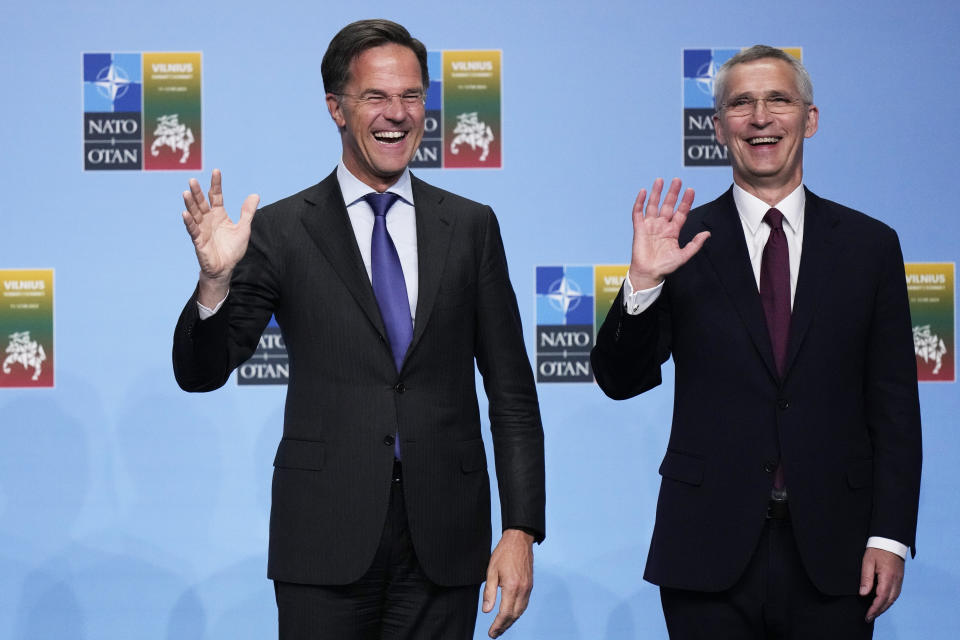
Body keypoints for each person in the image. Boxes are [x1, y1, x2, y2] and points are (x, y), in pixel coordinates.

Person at [172, 19, 544, 640]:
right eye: (376, 96)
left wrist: (520, 528)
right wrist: (214, 282)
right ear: (336, 109)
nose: (397, 114)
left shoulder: (472, 226)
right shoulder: (282, 229)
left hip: (445, 539)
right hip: (323, 536)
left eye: (412, 95)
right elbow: (201, 373)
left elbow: (511, 392)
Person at [591, 45, 921, 638]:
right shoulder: (680, 241)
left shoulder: (870, 246)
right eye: (741, 104)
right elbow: (619, 380)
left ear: (809, 119)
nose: (761, 117)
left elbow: (895, 407)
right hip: (705, 549)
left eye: (779, 100)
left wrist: (890, 536)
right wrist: (641, 284)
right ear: (718, 128)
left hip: (836, 552)